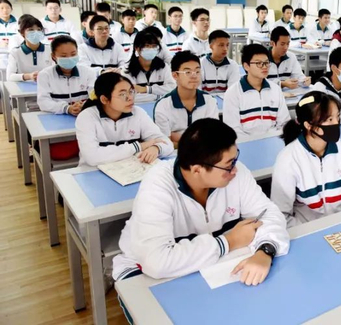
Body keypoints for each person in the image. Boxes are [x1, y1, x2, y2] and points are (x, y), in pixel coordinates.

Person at [112, 118, 289, 297]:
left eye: (235, 159)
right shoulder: (157, 186)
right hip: (143, 274)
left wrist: (265, 250)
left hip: (210, 264)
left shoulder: (235, 173)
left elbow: (269, 213)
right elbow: (156, 262)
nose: (235, 169)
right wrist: (228, 241)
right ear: (197, 170)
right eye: (229, 164)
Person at [270, 91, 341, 227]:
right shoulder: (288, 160)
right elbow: (281, 214)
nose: (336, 123)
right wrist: (312, 231)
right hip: (306, 230)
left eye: (337, 117)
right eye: (329, 119)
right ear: (309, 125)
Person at [76, 72, 174, 167]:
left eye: (131, 92)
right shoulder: (87, 117)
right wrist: (139, 146)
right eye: (122, 94)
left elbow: (166, 143)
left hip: (131, 170)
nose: (130, 98)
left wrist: (156, 148)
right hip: (93, 172)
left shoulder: (138, 113)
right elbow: (93, 157)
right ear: (104, 99)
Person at [223, 43, 290, 138]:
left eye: (267, 62)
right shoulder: (233, 93)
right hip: (245, 143)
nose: (264, 66)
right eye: (258, 63)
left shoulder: (275, 89)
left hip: (273, 140)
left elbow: (284, 123)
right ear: (246, 66)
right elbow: (233, 130)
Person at [154, 51, 219, 146]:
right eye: (187, 72)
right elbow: (164, 144)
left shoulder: (209, 101)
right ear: (175, 75)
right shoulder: (163, 105)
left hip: (204, 152)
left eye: (197, 71)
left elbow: (212, 138)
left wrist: (178, 138)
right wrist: (197, 140)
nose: (194, 76)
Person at [37, 36, 96, 116]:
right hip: (57, 117)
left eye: (73, 54)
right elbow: (43, 102)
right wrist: (67, 108)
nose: (69, 58)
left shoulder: (88, 72)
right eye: (64, 56)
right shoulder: (45, 75)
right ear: (53, 56)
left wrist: (84, 105)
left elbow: (95, 97)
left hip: (84, 115)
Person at [121, 31, 176, 102]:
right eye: (147, 46)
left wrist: (147, 89)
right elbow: (129, 96)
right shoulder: (127, 70)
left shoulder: (163, 67)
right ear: (137, 48)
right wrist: (158, 96)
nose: (151, 49)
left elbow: (172, 88)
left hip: (162, 106)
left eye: (154, 46)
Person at [7, 16, 52, 82]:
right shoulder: (15, 53)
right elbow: (9, 77)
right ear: (22, 33)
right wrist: (28, 76)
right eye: (31, 30)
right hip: (23, 87)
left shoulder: (50, 50)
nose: (36, 32)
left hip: (47, 85)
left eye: (39, 30)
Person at [200, 30, 240, 94]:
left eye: (227, 45)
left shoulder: (233, 65)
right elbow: (197, 90)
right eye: (221, 45)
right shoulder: (200, 64)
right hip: (204, 99)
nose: (225, 49)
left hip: (226, 99)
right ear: (211, 46)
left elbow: (233, 91)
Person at [0, 0, 18, 68]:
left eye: (7, 8)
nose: (5, 10)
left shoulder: (19, 22)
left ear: (11, 9)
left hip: (15, 56)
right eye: (2, 8)